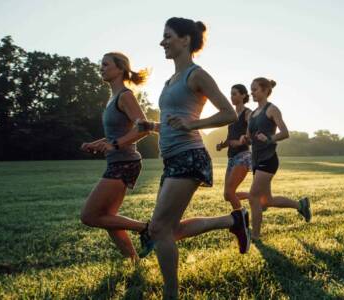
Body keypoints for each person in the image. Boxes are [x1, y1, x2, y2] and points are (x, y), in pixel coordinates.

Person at [138, 17, 250, 299]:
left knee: (159, 228)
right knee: (169, 229)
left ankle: (171, 293)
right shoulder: (170, 80)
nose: (162, 42)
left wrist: (192, 125)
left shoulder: (196, 74)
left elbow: (229, 113)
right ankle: (233, 221)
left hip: (190, 155)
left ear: (185, 40)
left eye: (167, 36)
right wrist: (152, 127)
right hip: (173, 157)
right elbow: (174, 120)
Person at [80, 52, 151, 261]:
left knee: (90, 216)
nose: (101, 68)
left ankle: (145, 228)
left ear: (120, 68)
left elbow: (144, 127)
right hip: (119, 161)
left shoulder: (125, 96)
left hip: (125, 162)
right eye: (100, 65)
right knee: (108, 218)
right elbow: (115, 134)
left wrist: (116, 144)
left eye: (105, 64)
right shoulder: (112, 98)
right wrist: (98, 143)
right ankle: (134, 262)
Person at [242, 77, 311, 242]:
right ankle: (301, 205)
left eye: (255, 89)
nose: (252, 93)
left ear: (265, 91)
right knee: (267, 200)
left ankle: (256, 236)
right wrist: (246, 139)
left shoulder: (272, 109)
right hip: (256, 159)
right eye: (251, 90)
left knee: (253, 197)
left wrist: (269, 139)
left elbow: (285, 132)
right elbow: (249, 137)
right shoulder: (251, 114)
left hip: (268, 158)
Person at [216, 84, 252, 210]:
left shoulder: (248, 113)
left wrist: (241, 141)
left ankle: (241, 222)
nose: (231, 96)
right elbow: (230, 137)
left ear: (243, 95)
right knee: (227, 195)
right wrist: (222, 145)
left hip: (243, 156)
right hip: (231, 157)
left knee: (230, 193)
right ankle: (254, 196)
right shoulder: (231, 115)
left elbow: (251, 134)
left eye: (234, 94)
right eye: (231, 94)